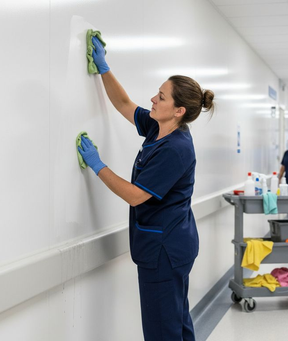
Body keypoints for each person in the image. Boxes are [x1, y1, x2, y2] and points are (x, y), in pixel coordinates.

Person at [78, 36, 215, 341]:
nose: (153, 99)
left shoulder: (175, 148)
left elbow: (135, 195)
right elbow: (125, 105)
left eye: (161, 96)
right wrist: (103, 67)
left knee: (161, 332)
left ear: (178, 110)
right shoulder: (159, 127)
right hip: (171, 244)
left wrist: (97, 164)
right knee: (176, 323)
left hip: (164, 252)